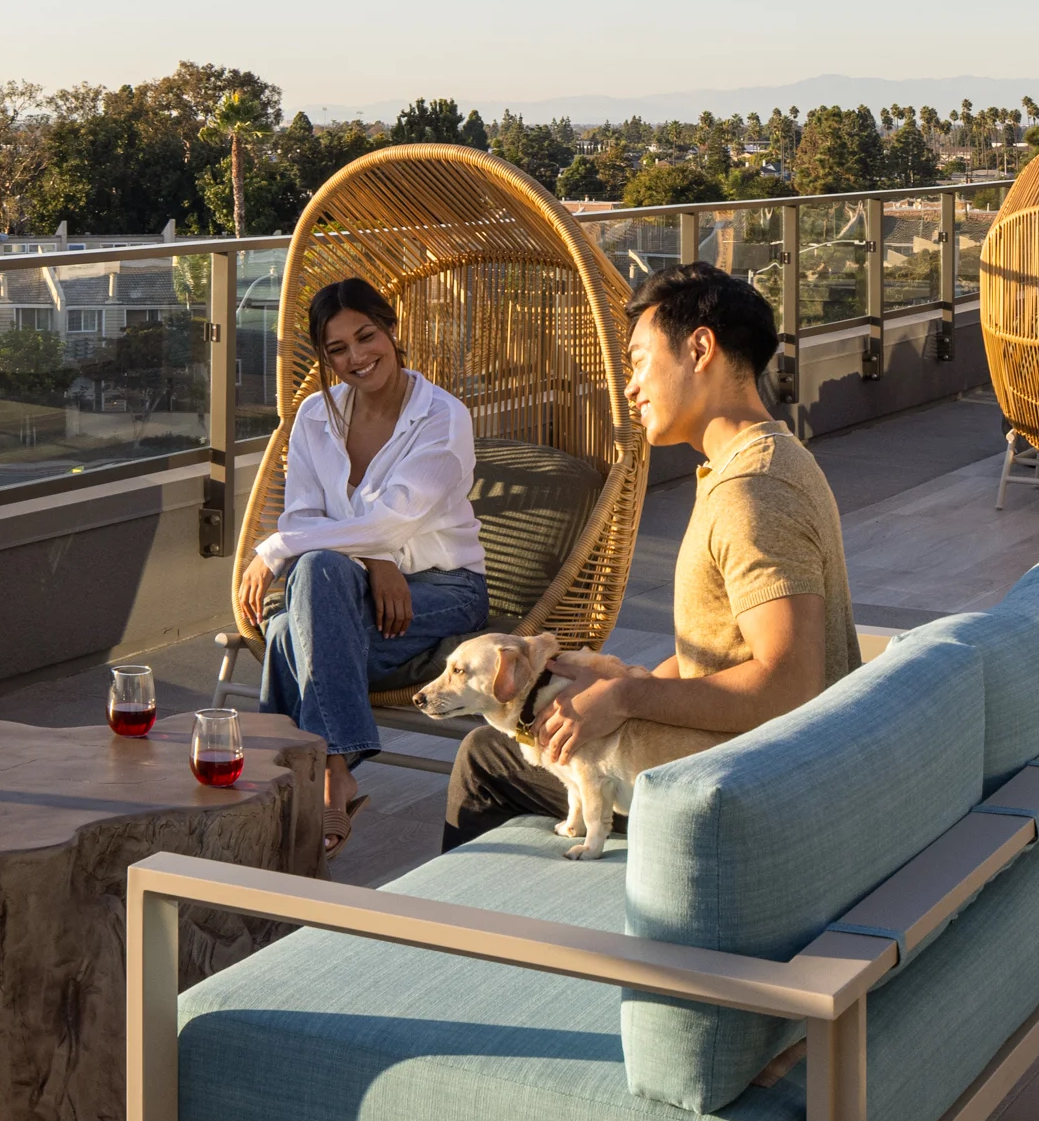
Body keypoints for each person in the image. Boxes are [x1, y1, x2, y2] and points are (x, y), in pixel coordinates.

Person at [440, 261, 857, 849]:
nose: (630, 386)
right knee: (531, 736)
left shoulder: (753, 493)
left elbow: (790, 685)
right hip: (750, 763)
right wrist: (619, 679)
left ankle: (479, 936)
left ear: (700, 348)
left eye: (638, 361)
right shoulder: (761, 462)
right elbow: (719, 653)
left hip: (745, 793)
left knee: (487, 757)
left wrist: (627, 697)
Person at [235, 279, 496, 820]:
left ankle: (315, 775)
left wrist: (279, 547)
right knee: (317, 575)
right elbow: (306, 514)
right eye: (337, 349)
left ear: (392, 330)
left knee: (290, 628)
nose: (356, 356)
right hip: (349, 585)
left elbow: (389, 521)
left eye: (366, 336)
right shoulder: (313, 417)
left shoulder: (442, 418)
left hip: (446, 588)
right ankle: (335, 771)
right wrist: (372, 558)